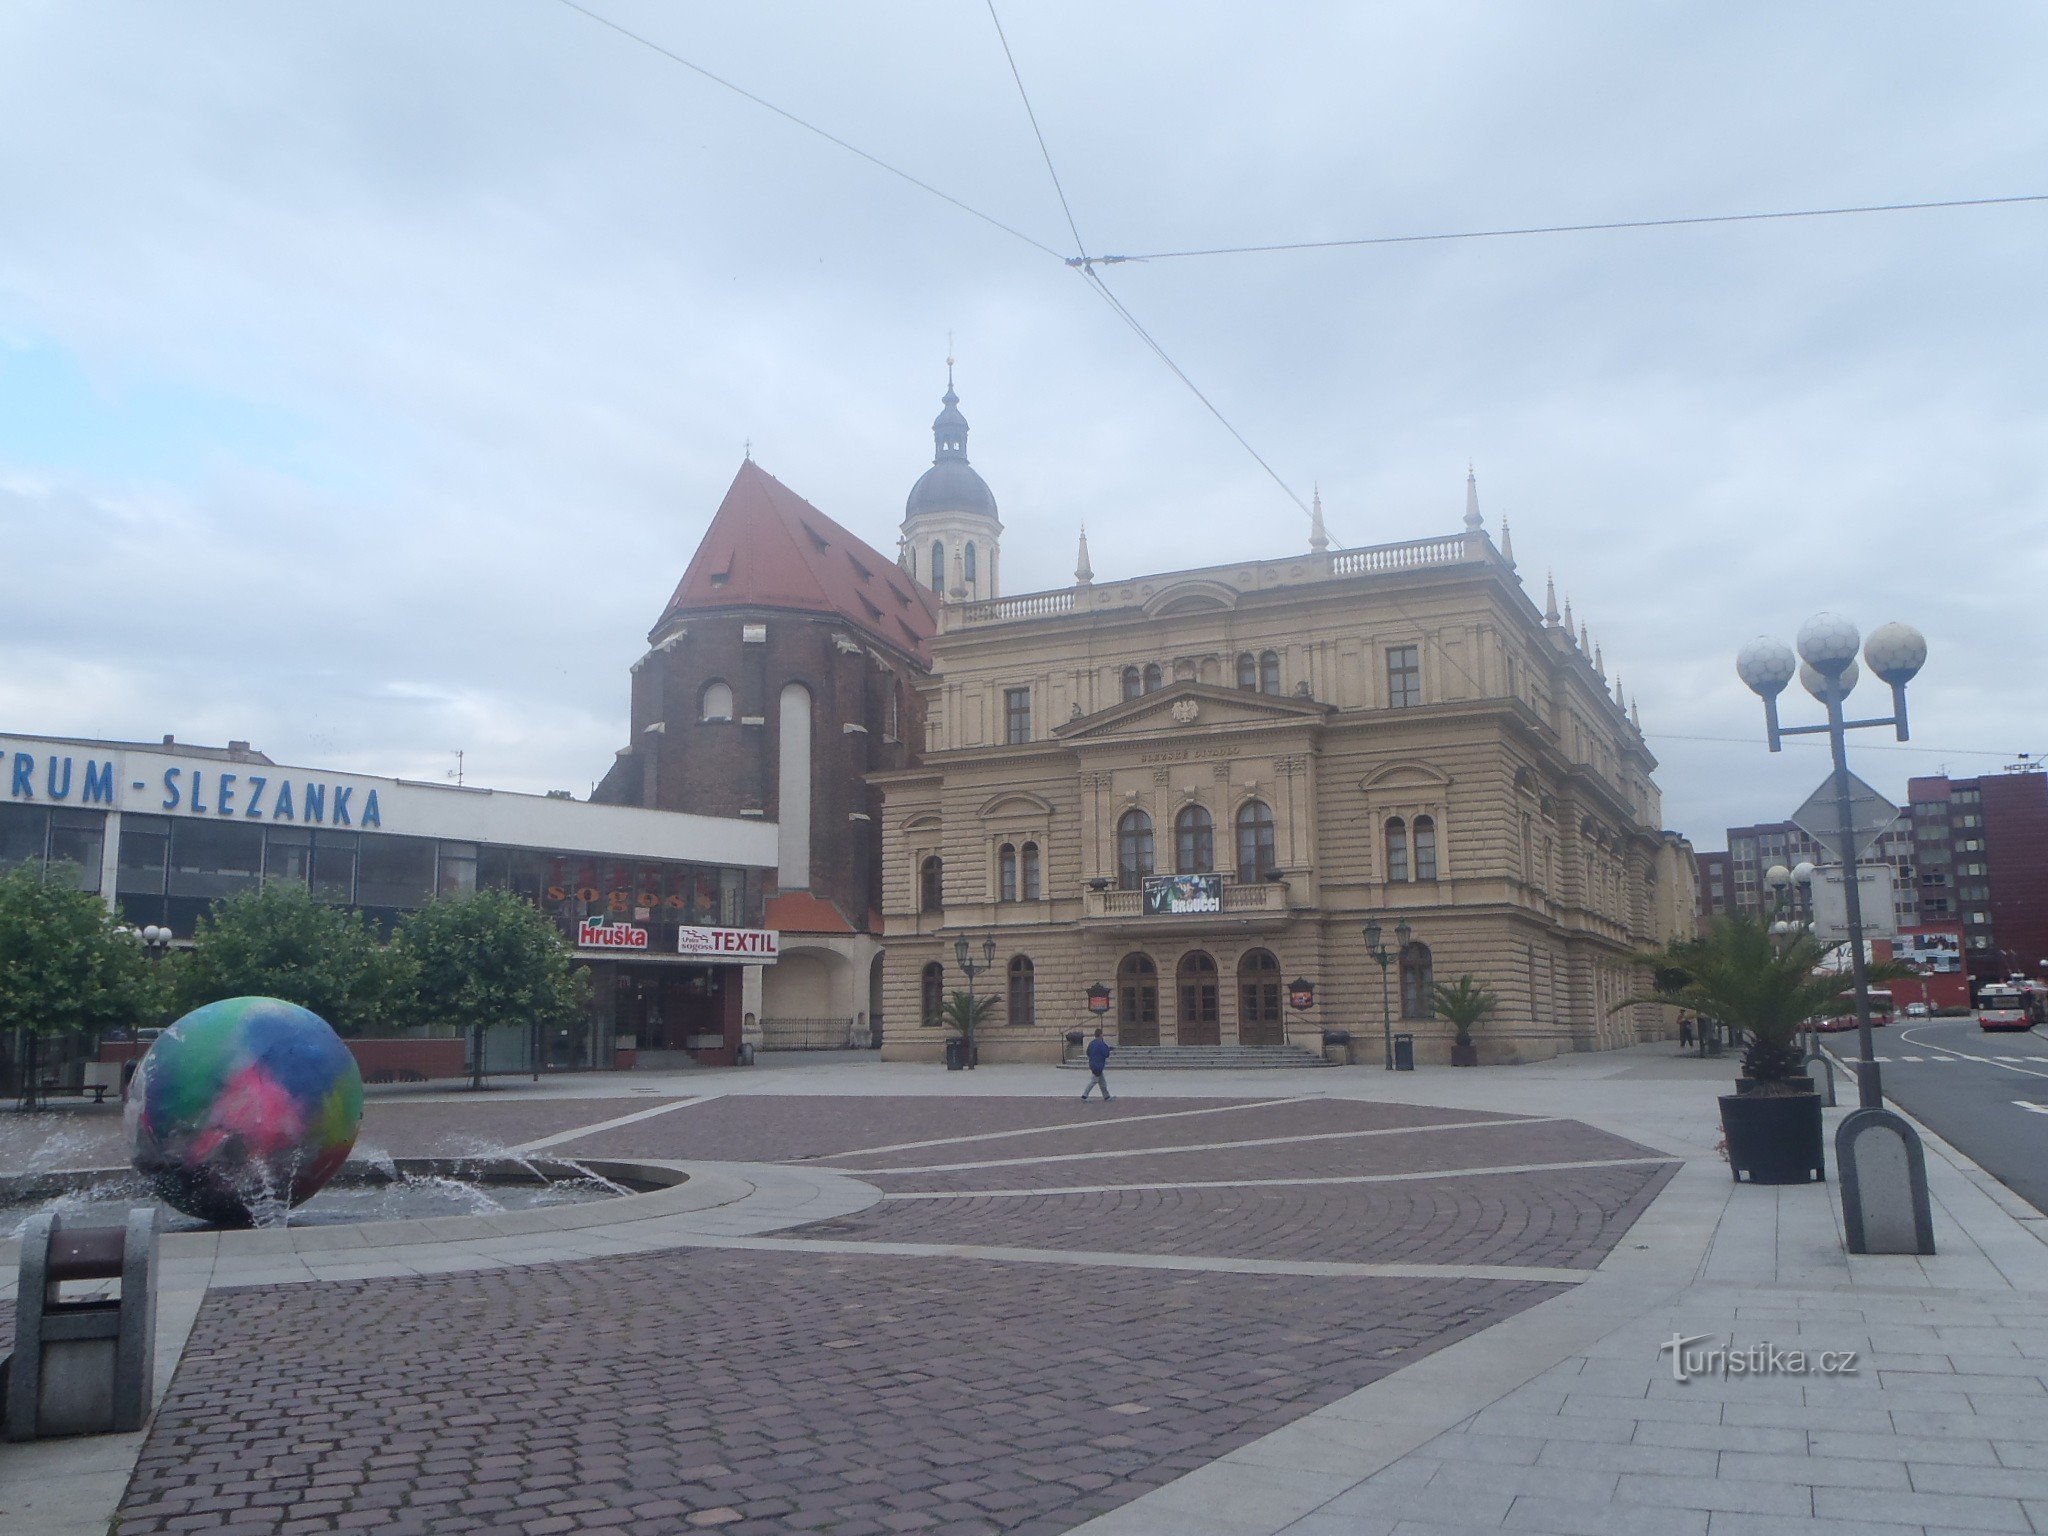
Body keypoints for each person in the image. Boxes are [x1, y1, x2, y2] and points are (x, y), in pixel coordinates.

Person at [1082, 1026, 1114, 1102]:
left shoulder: (1091, 1043)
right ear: (1100, 1035)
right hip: (1098, 1065)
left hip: (1093, 1064)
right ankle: (1084, 1096)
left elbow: (1088, 1053)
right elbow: (1106, 1054)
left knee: (1102, 1082)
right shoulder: (1101, 1044)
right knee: (1094, 1081)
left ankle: (1106, 1096)